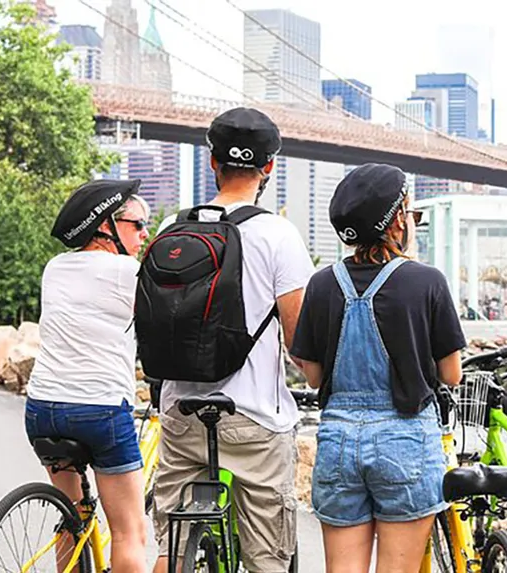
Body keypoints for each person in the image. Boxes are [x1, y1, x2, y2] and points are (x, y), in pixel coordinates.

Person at [149, 108, 314, 573]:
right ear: (269, 167)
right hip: (254, 419)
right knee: (267, 559)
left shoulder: (170, 230)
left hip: (181, 413)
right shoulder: (279, 234)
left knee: (172, 551)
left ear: (211, 161)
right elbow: (299, 340)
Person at [290, 163, 466, 573]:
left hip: (337, 443)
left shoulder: (321, 283)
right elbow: (452, 374)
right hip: (404, 440)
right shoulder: (426, 281)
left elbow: (314, 377)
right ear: (398, 220)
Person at [27, 179, 151, 573]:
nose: (145, 233)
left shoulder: (55, 267)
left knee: (72, 519)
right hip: (99, 412)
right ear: (105, 227)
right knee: (130, 533)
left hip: (42, 409)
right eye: (137, 224)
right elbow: (161, 324)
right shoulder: (127, 271)